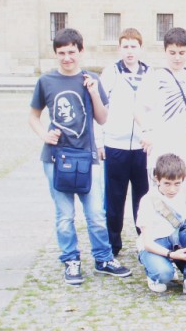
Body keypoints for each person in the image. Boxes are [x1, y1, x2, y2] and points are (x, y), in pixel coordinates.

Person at [28, 28, 131, 285]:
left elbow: (103, 118)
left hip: (87, 156)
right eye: (61, 53)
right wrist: (44, 134)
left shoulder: (90, 79)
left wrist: (94, 92)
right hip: (55, 157)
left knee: (95, 214)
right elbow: (33, 116)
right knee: (64, 216)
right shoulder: (46, 81)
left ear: (81, 51)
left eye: (71, 52)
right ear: (56, 53)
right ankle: (71, 260)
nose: (67, 58)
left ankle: (103, 258)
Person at [98, 27, 150, 257]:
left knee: (143, 197)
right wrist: (100, 141)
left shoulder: (150, 73)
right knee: (114, 198)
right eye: (126, 46)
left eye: (133, 46)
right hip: (115, 145)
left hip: (142, 146)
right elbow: (99, 107)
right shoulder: (110, 73)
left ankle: (144, 240)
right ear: (119, 48)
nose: (130, 51)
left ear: (140, 48)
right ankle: (112, 243)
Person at [135, 153, 186, 300]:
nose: (172, 189)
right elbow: (147, 243)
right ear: (157, 179)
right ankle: (153, 275)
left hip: (177, 239)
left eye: (177, 183)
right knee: (165, 275)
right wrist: (171, 255)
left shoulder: (183, 190)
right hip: (156, 243)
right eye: (167, 183)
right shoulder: (147, 200)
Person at [136, 27, 186, 176]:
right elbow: (138, 110)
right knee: (159, 190)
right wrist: (145, 132)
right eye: (172, 53)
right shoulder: (153, 78)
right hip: (160, 151)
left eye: (181, 53)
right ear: (165, 51)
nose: (177, 58)